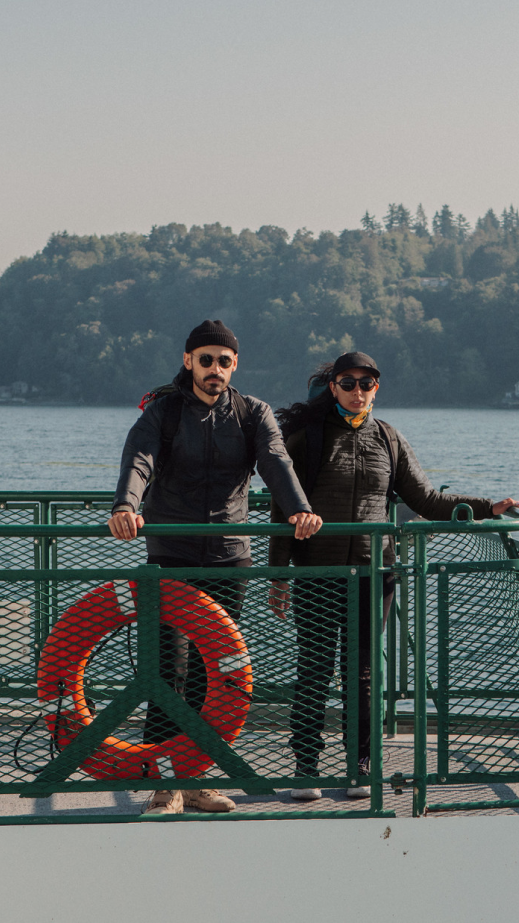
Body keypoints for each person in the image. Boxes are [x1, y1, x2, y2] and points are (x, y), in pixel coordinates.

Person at [268, 351, 519, 801]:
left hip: (374, 573)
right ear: (333, 387)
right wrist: (279, 576)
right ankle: (306, 767)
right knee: (314, 670)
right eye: (349, 383)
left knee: (362, 673)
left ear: (377, 388)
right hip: (317, 571)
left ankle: (360, 766)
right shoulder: (307, 438)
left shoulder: (388, 439)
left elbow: (426, 499)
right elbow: (283, 509)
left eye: (367, 384)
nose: (358, 391)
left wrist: (486, 507)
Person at [109, 319, 322, 815]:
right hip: (171, 555)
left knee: (213, 675)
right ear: (188, 361)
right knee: (168, 670)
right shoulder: (163, 412)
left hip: (229, 559)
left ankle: (195, 779)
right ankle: (165, 786)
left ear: (235, 365)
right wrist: (125, 506)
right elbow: (139, 459)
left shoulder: (253, 413)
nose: (215, 369)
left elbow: (275, 461)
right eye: (206, 360)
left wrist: (299, 509)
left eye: (224, 361)